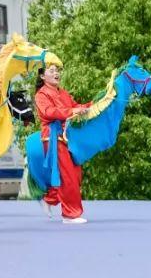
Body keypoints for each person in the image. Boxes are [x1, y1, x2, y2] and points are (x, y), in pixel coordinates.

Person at [35, 57, 91, 224]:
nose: (56, 73)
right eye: (51, 71)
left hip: (67, 137)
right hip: (52, 137)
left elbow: (76, 106)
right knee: (67, 175)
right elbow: (49, 112)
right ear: (42, 77)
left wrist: (94, 104)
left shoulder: (63, 93)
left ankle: (49, 199)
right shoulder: (41, 95)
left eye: (57, 70)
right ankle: (70, 214)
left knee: (75, 174)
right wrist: (72, 111)